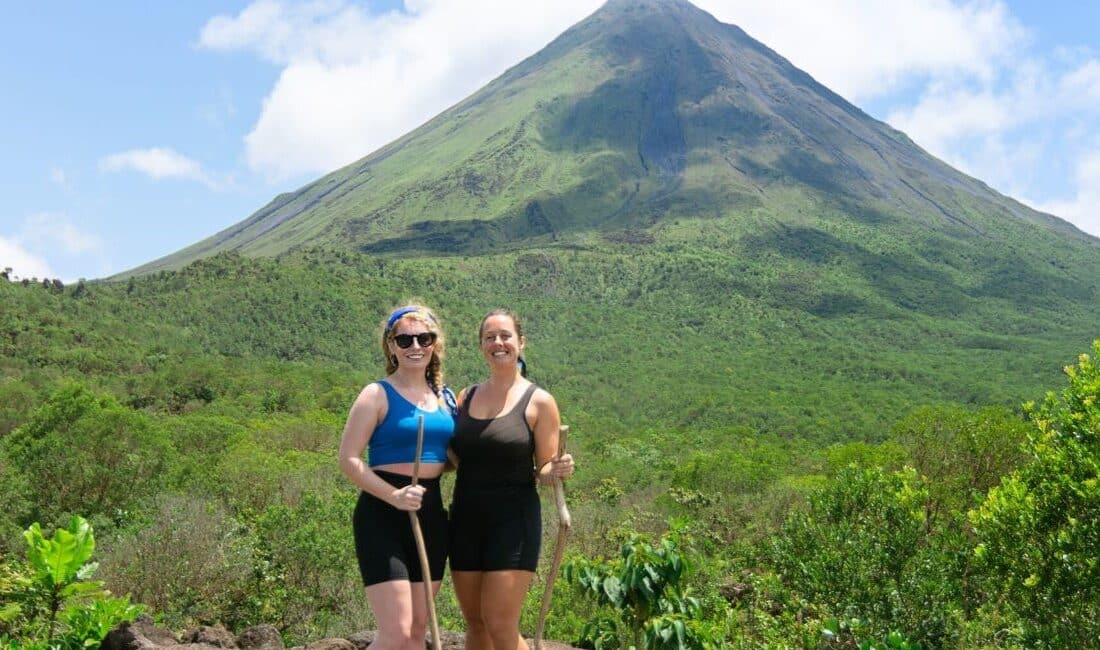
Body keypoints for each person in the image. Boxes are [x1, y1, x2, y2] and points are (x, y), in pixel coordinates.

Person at [448, 308, 575, 650]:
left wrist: (559, 468)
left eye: (505, 336)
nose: (498, 343)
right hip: (465, 519)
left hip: (513, 523)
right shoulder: (466, 396)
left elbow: (544, 468)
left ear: (521, 342)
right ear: (481, 347)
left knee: (500, 623)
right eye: (489, 337)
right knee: (475, 624)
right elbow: (456, 456)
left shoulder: (540, 402)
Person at [338, 303, 456, 650]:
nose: (415, 346)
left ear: (435, 344)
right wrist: (394, 496)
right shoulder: (375, 394)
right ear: (391, 346)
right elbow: (348, 459)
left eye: (424, 338)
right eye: (404, 340)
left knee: (419, 629)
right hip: (383, 515)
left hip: (431, 512)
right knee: (397, 632)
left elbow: (448, 459)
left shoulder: (445, 399)